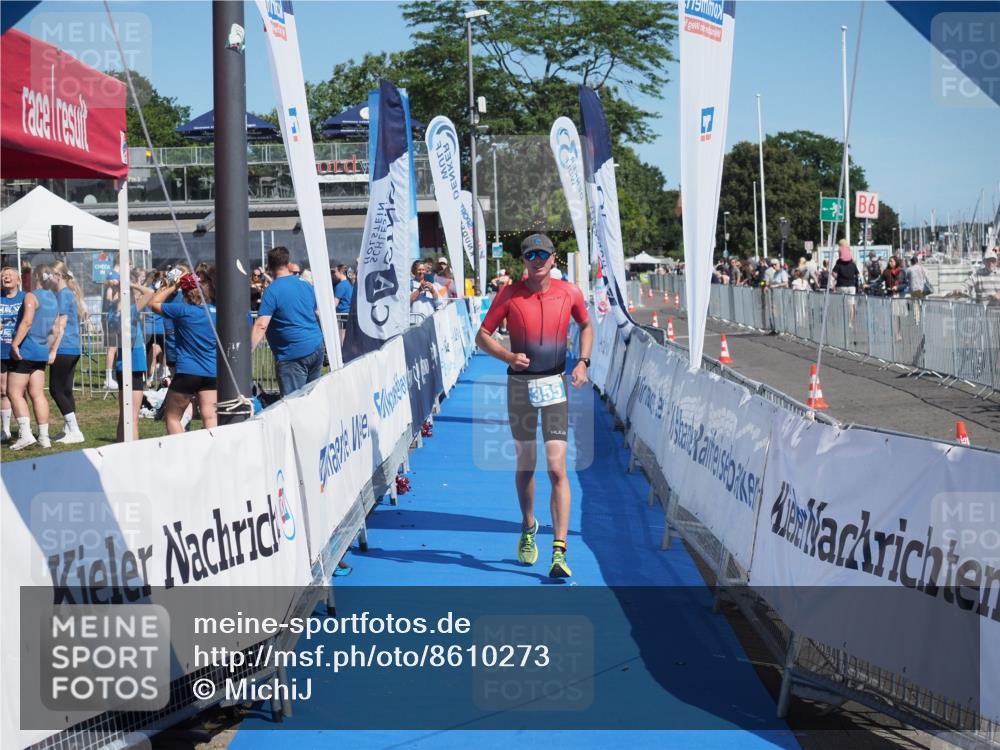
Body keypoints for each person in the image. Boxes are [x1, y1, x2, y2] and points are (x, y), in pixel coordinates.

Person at [475, 233, 593, 579]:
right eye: (531, 255)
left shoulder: (569, 292)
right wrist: (508, 356)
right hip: (520, 387)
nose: (537, 260)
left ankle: (559, 551)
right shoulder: (509, 295)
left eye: (543, 254)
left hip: (555, 385)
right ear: (523, 260)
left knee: (557, 468)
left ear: (553, 258)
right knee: (526, 465)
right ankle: (528, 525)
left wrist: (583, 361)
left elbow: (586, 324)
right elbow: (482, 336)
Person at [150, 266, 218, 434]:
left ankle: (181, 449)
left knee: (172, 417)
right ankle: (214, 449)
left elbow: (153, 303)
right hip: (211, 372)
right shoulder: (216, 312)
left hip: (188, 371)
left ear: (186, 294)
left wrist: (174, 286)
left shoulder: (182, 310)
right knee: (210, 418)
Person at [251, 247, 326, 397]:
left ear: (269, 266)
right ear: (288, 263)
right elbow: (317, 313)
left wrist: (247, 352)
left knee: (294, 404)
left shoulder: (272, 290)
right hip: (316, 347)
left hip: (293, 353)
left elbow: (261, 325)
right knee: (312, 400)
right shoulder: (305, 284)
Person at [7, 264, 59, 450]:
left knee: (14, 392)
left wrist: (15, 344)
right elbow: (55, 329)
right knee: (37, 393)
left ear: (36, 276)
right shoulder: (53, 299)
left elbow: (27, 321)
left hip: (27, 349)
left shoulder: (31, 296)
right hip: (41, 351)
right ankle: (44, 437)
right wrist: (51, 350)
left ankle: (26, 434)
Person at [48, 261, 88, 444]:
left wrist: (53, 350)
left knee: (56, 390)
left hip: (64, 347)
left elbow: (61, 325)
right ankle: (68, 429)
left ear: (58, 276)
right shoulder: (68, 293)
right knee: (65, 390)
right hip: (73, 347)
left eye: (49, 274)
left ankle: (75, 430)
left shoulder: (63, 295)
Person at [0, 264, 26, 442]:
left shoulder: (25, 298)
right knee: (3, 391)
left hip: (20, 350)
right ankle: (6, 430)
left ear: (18, 280)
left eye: (10, 274)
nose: (6, 277)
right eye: (3, 275)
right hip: (2, 349)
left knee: (20, 392)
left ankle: (24, 429)